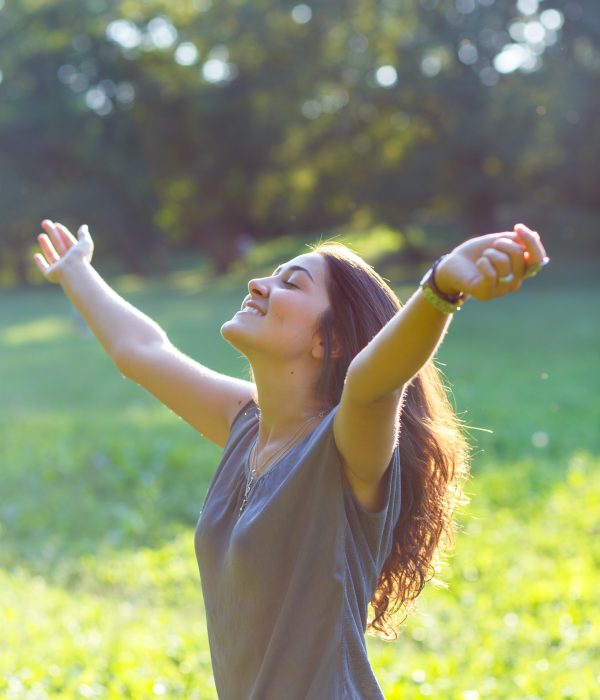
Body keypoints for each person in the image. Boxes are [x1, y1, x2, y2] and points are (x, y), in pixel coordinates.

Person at [34, 220, 548, 699]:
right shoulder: (247, 427)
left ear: (330, 341)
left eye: (291, 284)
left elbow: (373, 384)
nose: (257, 284)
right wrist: (76, 270)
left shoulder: (347, 448)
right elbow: (143, 351)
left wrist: (440, 289)